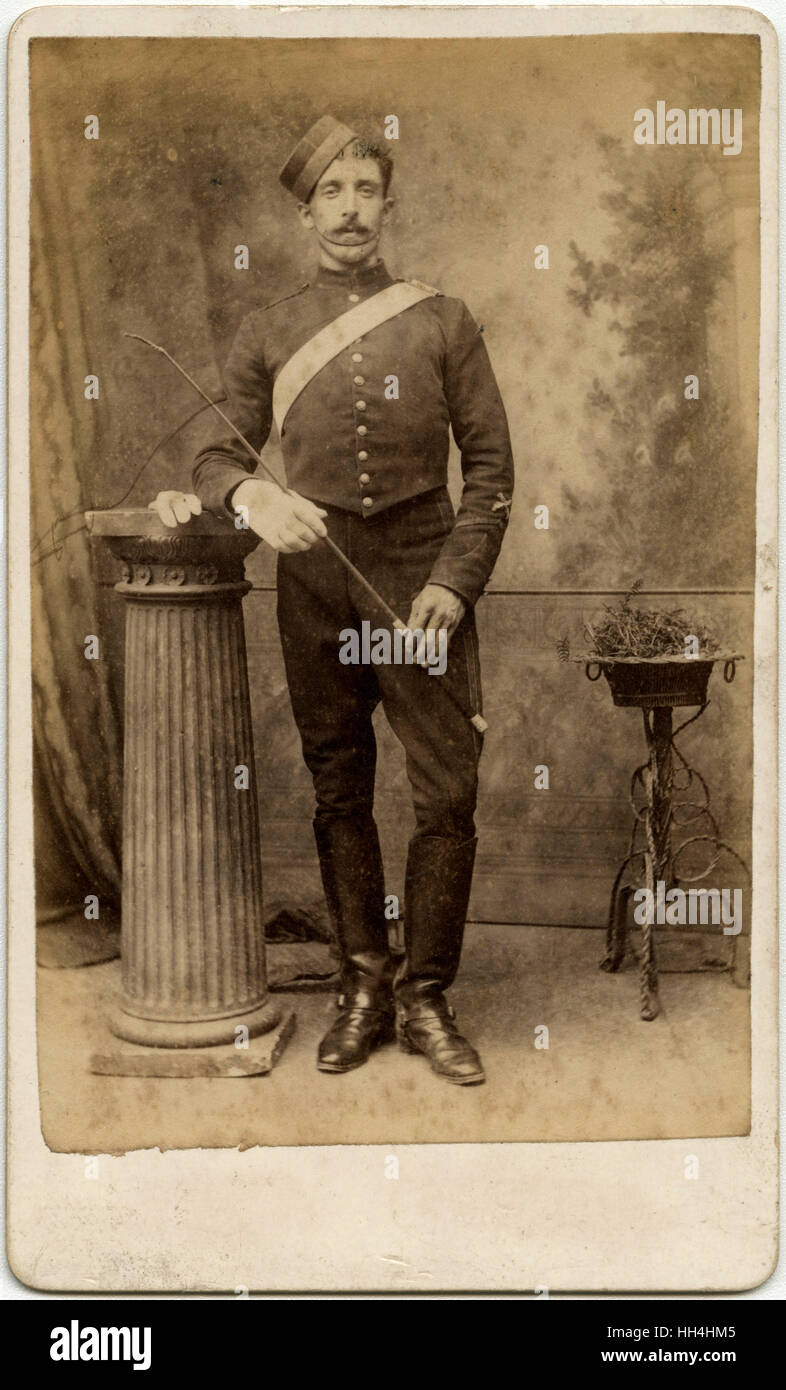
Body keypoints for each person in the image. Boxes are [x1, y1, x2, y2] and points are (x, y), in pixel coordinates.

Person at [151, 115, 514, 1085]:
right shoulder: (268, 328)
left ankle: (427, 996)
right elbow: (217, 453)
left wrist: (451, 579)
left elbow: (491, 471)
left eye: (365, 190)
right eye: (331, 194)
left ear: (388, 205)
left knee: (447, 788)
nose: (349, 210)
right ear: (307, 213)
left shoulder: (444, 318)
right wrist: (256, 495)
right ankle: (363, 983)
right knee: (338, 783)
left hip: (417, 570)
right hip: (312, 579)